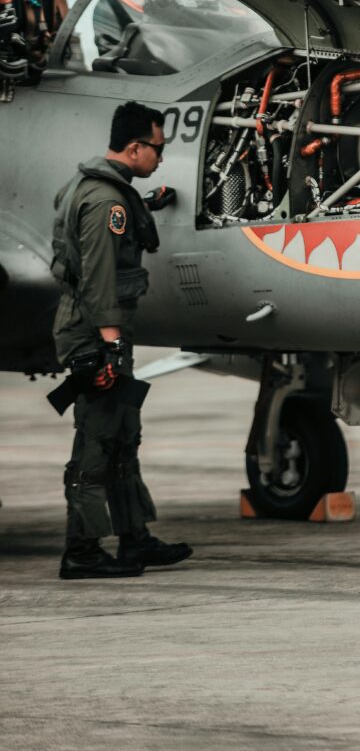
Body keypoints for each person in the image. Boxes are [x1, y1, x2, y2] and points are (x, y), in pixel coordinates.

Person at [49, 101, 192, 579]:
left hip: (102, 332)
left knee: (123, 436)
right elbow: (99, 278)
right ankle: (82, 552)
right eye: (157, 148)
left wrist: (146, 207)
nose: (160, 157)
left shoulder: (103, 191)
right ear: (134, 148)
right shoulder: (107, 203)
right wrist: (109, 347)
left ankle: (135, 540)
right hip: (95, 334)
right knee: (96, 443)